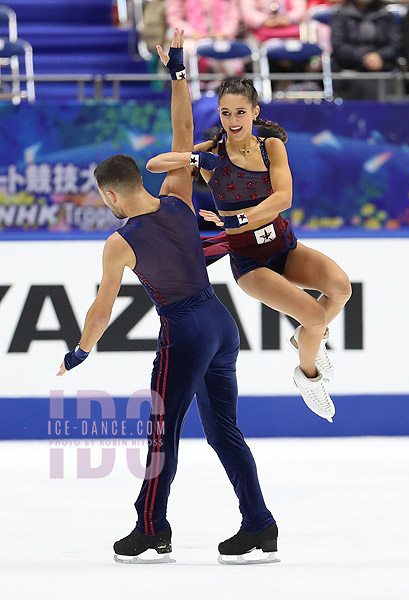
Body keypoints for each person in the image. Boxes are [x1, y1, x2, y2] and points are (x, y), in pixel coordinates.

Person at [56, 31, 277, 565]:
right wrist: (179, 70)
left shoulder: (120, 241)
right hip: (221, 323)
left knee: (162, 433)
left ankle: (152, 526)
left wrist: (80, 351)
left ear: (111, 194)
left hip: (184, 329)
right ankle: (260, 523)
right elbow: (182, 128)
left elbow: (102, 310)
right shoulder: (177, 198)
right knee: (224, 431)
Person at [194, 78, 352, 422]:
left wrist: (237, 218)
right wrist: (187, 153)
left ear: (255, 112)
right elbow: (157, 164)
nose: (233, 120)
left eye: (239, 112)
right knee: (314, 316)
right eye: (225, 113)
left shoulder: (271, 147)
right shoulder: (209, 155)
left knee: (341, 288)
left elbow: (283, 198)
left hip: (284, 246)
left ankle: (304, 341)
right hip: (250, 263)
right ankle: (308, 377)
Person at [331, 0, 401, 99]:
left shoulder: (387, 16)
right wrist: (365, 56)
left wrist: (379, 56)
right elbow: (339, 46)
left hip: (383, 69)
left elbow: (395, 45)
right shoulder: (341, 16)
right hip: (351, 69)